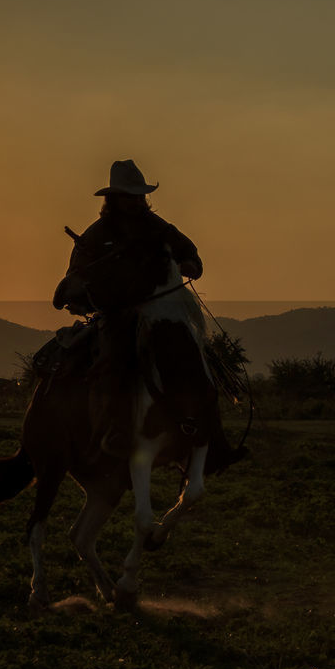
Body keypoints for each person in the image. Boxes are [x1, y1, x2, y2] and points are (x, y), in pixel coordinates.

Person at [80, 159, 204, 457]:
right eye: (128, 195)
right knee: (113, 359)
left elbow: (195, 264)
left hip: (160, 311)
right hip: (115, 315)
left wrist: (176, 266)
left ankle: (201, 425)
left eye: (139, 195)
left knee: (192, 357)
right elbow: (77, 277)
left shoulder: (160, 229)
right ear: (113, 198)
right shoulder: (96, 235)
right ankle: (114, 429)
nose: (135, 201)